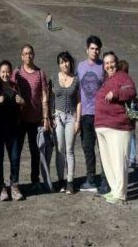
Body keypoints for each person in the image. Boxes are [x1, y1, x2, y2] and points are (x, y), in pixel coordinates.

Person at [95, 51, 137, 204]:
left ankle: (120, 194)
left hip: (118, 126)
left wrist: (116, 93)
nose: (109, 65)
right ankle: (114, 190)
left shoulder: (122, 76)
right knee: (109, 161)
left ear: (116, 62)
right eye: (106, 63)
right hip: (103, 126)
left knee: (119, 161)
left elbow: (131, 90)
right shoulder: (107, 79)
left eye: (111, 62)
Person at [12, 44, 50, 193]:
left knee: (35, 152)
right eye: (25, 54)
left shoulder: (40, 73)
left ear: (34, 55)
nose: (28, 56)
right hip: (20, 120)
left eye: (30, 53)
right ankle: (15, 182)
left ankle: (35, 180)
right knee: (17, 152)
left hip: (35, 119)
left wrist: (45, 117)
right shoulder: (17, 73)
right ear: (21, 56)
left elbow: (44, 96)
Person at [0, 60, 25, 201]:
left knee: (14, 157)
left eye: (8, 71)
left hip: (13, 129)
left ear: (11, 73)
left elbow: (21, 107)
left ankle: (14, 185)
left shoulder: (15, 87)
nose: (5, 74)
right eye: (3, 72)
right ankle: (2, 187)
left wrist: (23, 102)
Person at [76, 35, 106, 193]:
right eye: (92, 48)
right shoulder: (80, 67)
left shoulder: (104, 66)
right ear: (87, 49)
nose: (95, 51)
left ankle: (105, 180)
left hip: (101, 114)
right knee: (88, 148)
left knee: (103, 149)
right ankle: (90, 179)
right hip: (85, 115)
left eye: (97, 49)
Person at [53, 51, 81, 194]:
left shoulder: (76, 79)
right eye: (62, 62)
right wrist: (51, 117)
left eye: (67, 61)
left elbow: (78, 101)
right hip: (58, 117)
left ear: (70, 62)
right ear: (59, 64)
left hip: (71, 117)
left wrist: (78, 120)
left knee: (69, 150)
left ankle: (70, 182)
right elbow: (50, 98)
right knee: (59, 151)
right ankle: (60, 181)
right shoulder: (54, 78)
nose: (65, 64)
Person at [117, 59, 138, 168]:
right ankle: (132, 158)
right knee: (132, 134)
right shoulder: (130, 80)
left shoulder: (119, 80)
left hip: (125, 110)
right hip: (131, 110)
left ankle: (129, 157)